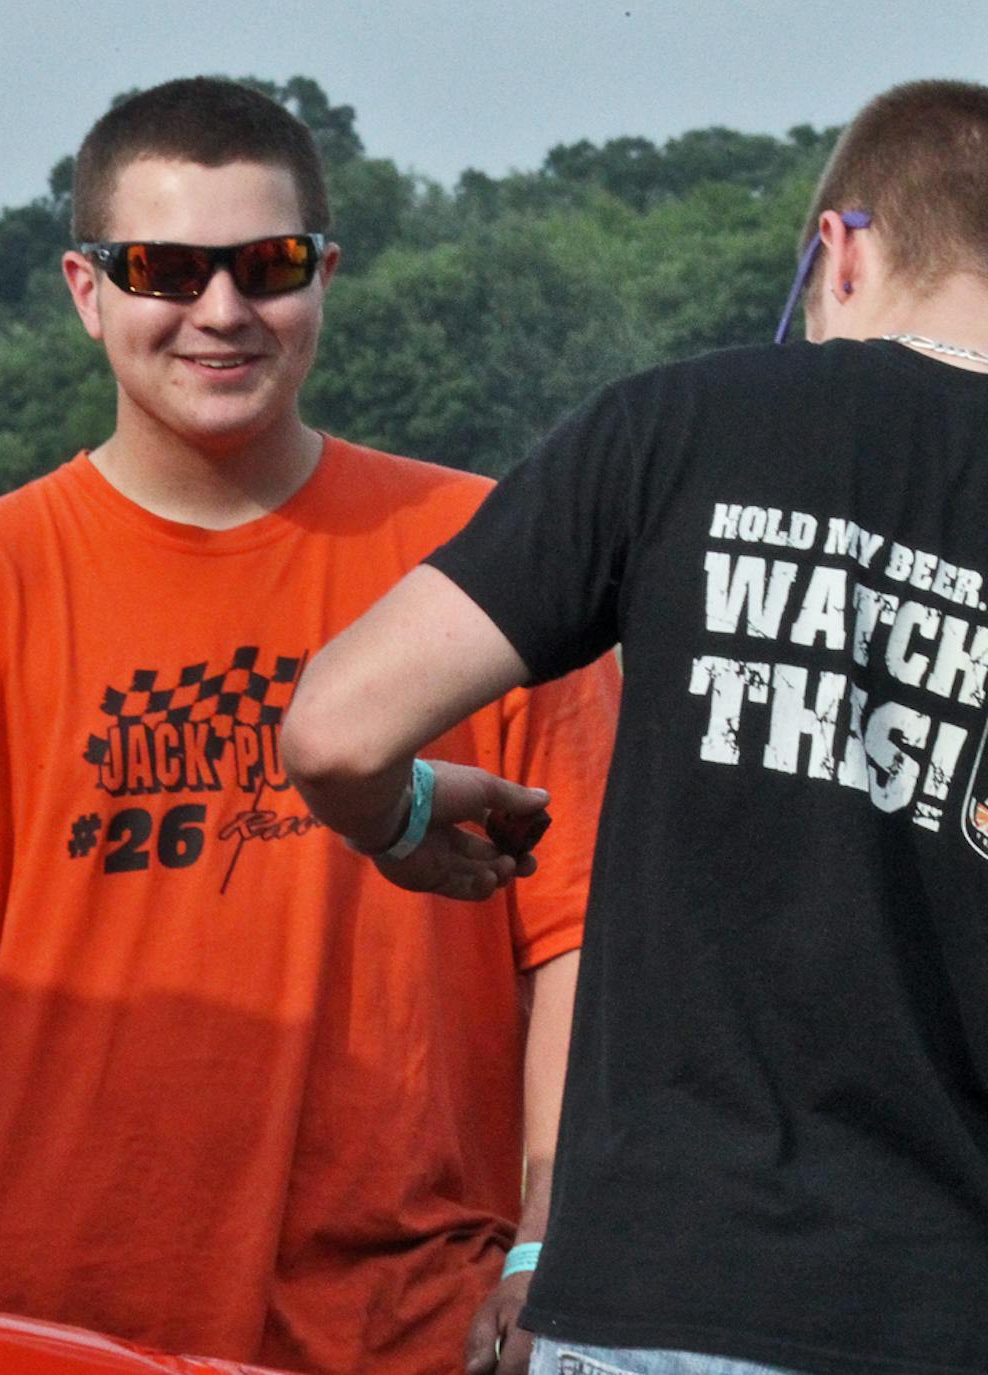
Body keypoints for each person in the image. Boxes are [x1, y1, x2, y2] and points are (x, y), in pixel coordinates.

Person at [0, 77, 620, 1375]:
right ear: (87, 292)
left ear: (326, 275)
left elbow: (587, 946)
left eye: (269, 263)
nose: (221, 310)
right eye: (164, 268)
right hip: (62, 1338)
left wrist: (550, 1248)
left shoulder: (490, 563)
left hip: (420, 1335)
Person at [282, 79, 988, 1375]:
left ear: (840, 251)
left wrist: (413, 819)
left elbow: (335, 726)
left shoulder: (681, 426)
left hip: (664, 1290)